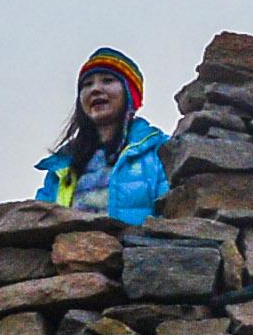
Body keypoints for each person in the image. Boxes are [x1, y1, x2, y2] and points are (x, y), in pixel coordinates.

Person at [33, 45, 172, 223]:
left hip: (138, 250)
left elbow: (173, 219)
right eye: (87, 84)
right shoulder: (63, 166)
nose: (95, 89)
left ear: (130, 94)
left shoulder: (158, 152)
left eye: (107, 80)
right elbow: (40, 223)